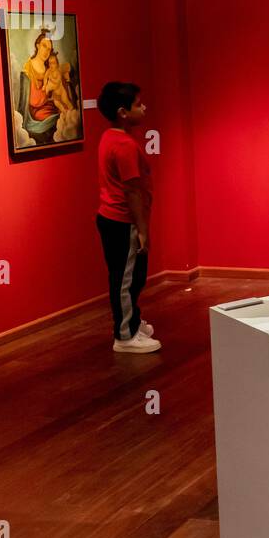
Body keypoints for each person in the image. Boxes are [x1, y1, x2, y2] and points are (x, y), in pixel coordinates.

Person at [95, 81, 160, 354]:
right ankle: (124, 335)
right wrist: (142, 229)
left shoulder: (112, 137)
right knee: (125, 278)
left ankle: (131, 320)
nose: (143, 108)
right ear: (123, 112)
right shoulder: (123, 145)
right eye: (138, 104)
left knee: (132, 276)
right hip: (122, 221)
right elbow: (132, 191)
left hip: (116, 219)